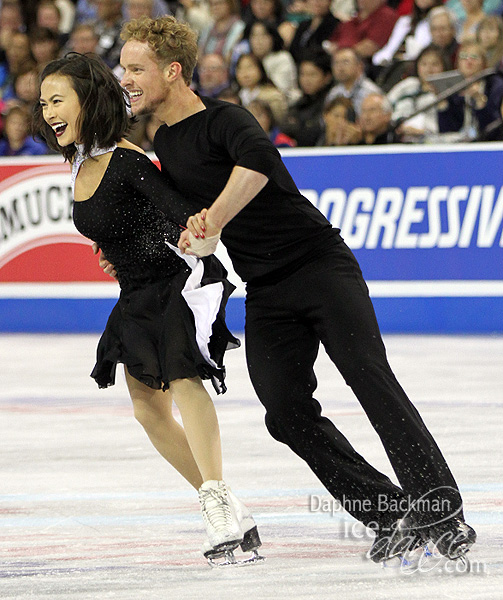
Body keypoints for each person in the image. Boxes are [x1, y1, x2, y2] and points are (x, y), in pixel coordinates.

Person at [116, 15, 477, 564]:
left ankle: (441, 508)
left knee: (370, 380)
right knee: (284, 412)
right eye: (123, 69)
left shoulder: (224, 118)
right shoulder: (161, 137)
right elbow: (170, 214)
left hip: (320, 266)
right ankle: (385, 510)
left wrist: (211, 218)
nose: (127, 79)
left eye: (136, 68)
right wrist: (121, 244)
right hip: (266, 288)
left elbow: (259, 164)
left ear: (172, 70)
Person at [33, 52, 262, 566]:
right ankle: (230, 505)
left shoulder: (126, 159)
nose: (48, 111)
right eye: (44, 102)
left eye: (58, 100)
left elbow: (182, 216)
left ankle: (218, 503)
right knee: (146, 409)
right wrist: (113, 250)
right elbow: (116, 223)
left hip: (173, 284)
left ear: (88, 101)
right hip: (135, 292)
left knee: (183, 379)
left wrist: (178, 239)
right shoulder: (82, 161)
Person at [437, 40, 503, 141]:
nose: (469, 61)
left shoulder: (495, 86)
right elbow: (447, 130)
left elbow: (494, 130)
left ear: (484, 63)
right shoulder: (453, 88)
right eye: (463, 57)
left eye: (474, 57)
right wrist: (443, 105)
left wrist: (480, 102)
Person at [387, 44, 448, 141]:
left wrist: (422, 132)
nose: (429, 69)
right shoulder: (407, 85)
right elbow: (385, 106)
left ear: (444, 67)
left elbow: (449, 128)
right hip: (398, 139)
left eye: (435, 64)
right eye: (424, 64)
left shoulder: (449, 91)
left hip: (431, 142)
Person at [281, 49, 334, 145]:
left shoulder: (331, 102)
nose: (306, 80)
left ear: (327, 77)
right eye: (302, 74)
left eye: (312, 74)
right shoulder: (298, 104)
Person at [325, 47, 382, 116]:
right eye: (336, 63)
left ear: (359, 66)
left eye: (345, 62)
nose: (340, 68)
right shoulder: (334, 93)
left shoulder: (371, 92)